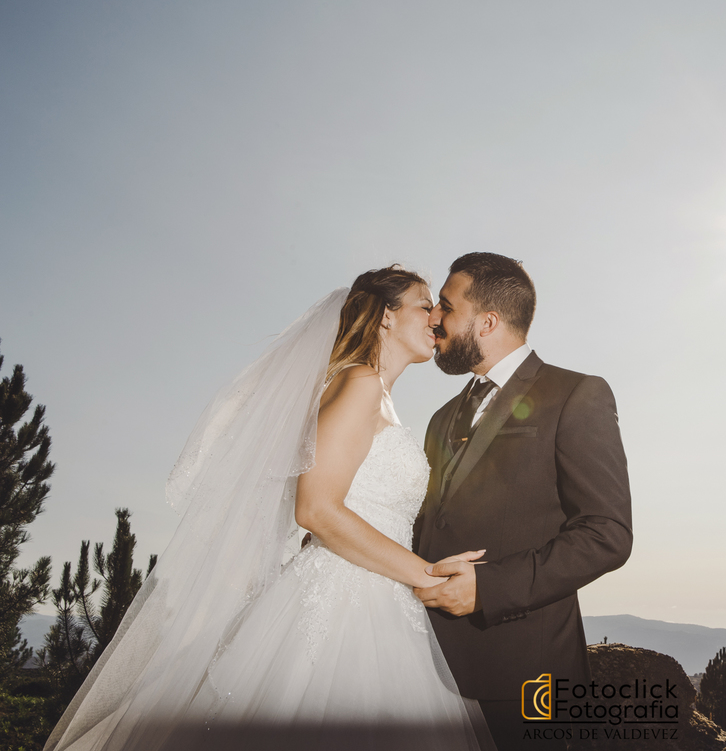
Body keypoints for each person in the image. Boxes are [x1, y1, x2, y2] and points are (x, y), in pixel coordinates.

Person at [45, 266, 496, 751]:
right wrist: (427, 575)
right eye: (424, 305)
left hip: (384, 598)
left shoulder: (377, 394)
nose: (435, 317)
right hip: (341, 601)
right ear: (386, 316)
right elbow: (316, 510)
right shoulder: (360, 382)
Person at [414, 252, 633, 751]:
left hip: (527, 673)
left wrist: (487, 589)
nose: (433, 318)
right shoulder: (441, 417)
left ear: (487, 321)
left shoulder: (576, 394)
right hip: (429, 667)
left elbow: (607, 533)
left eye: (446, 306)